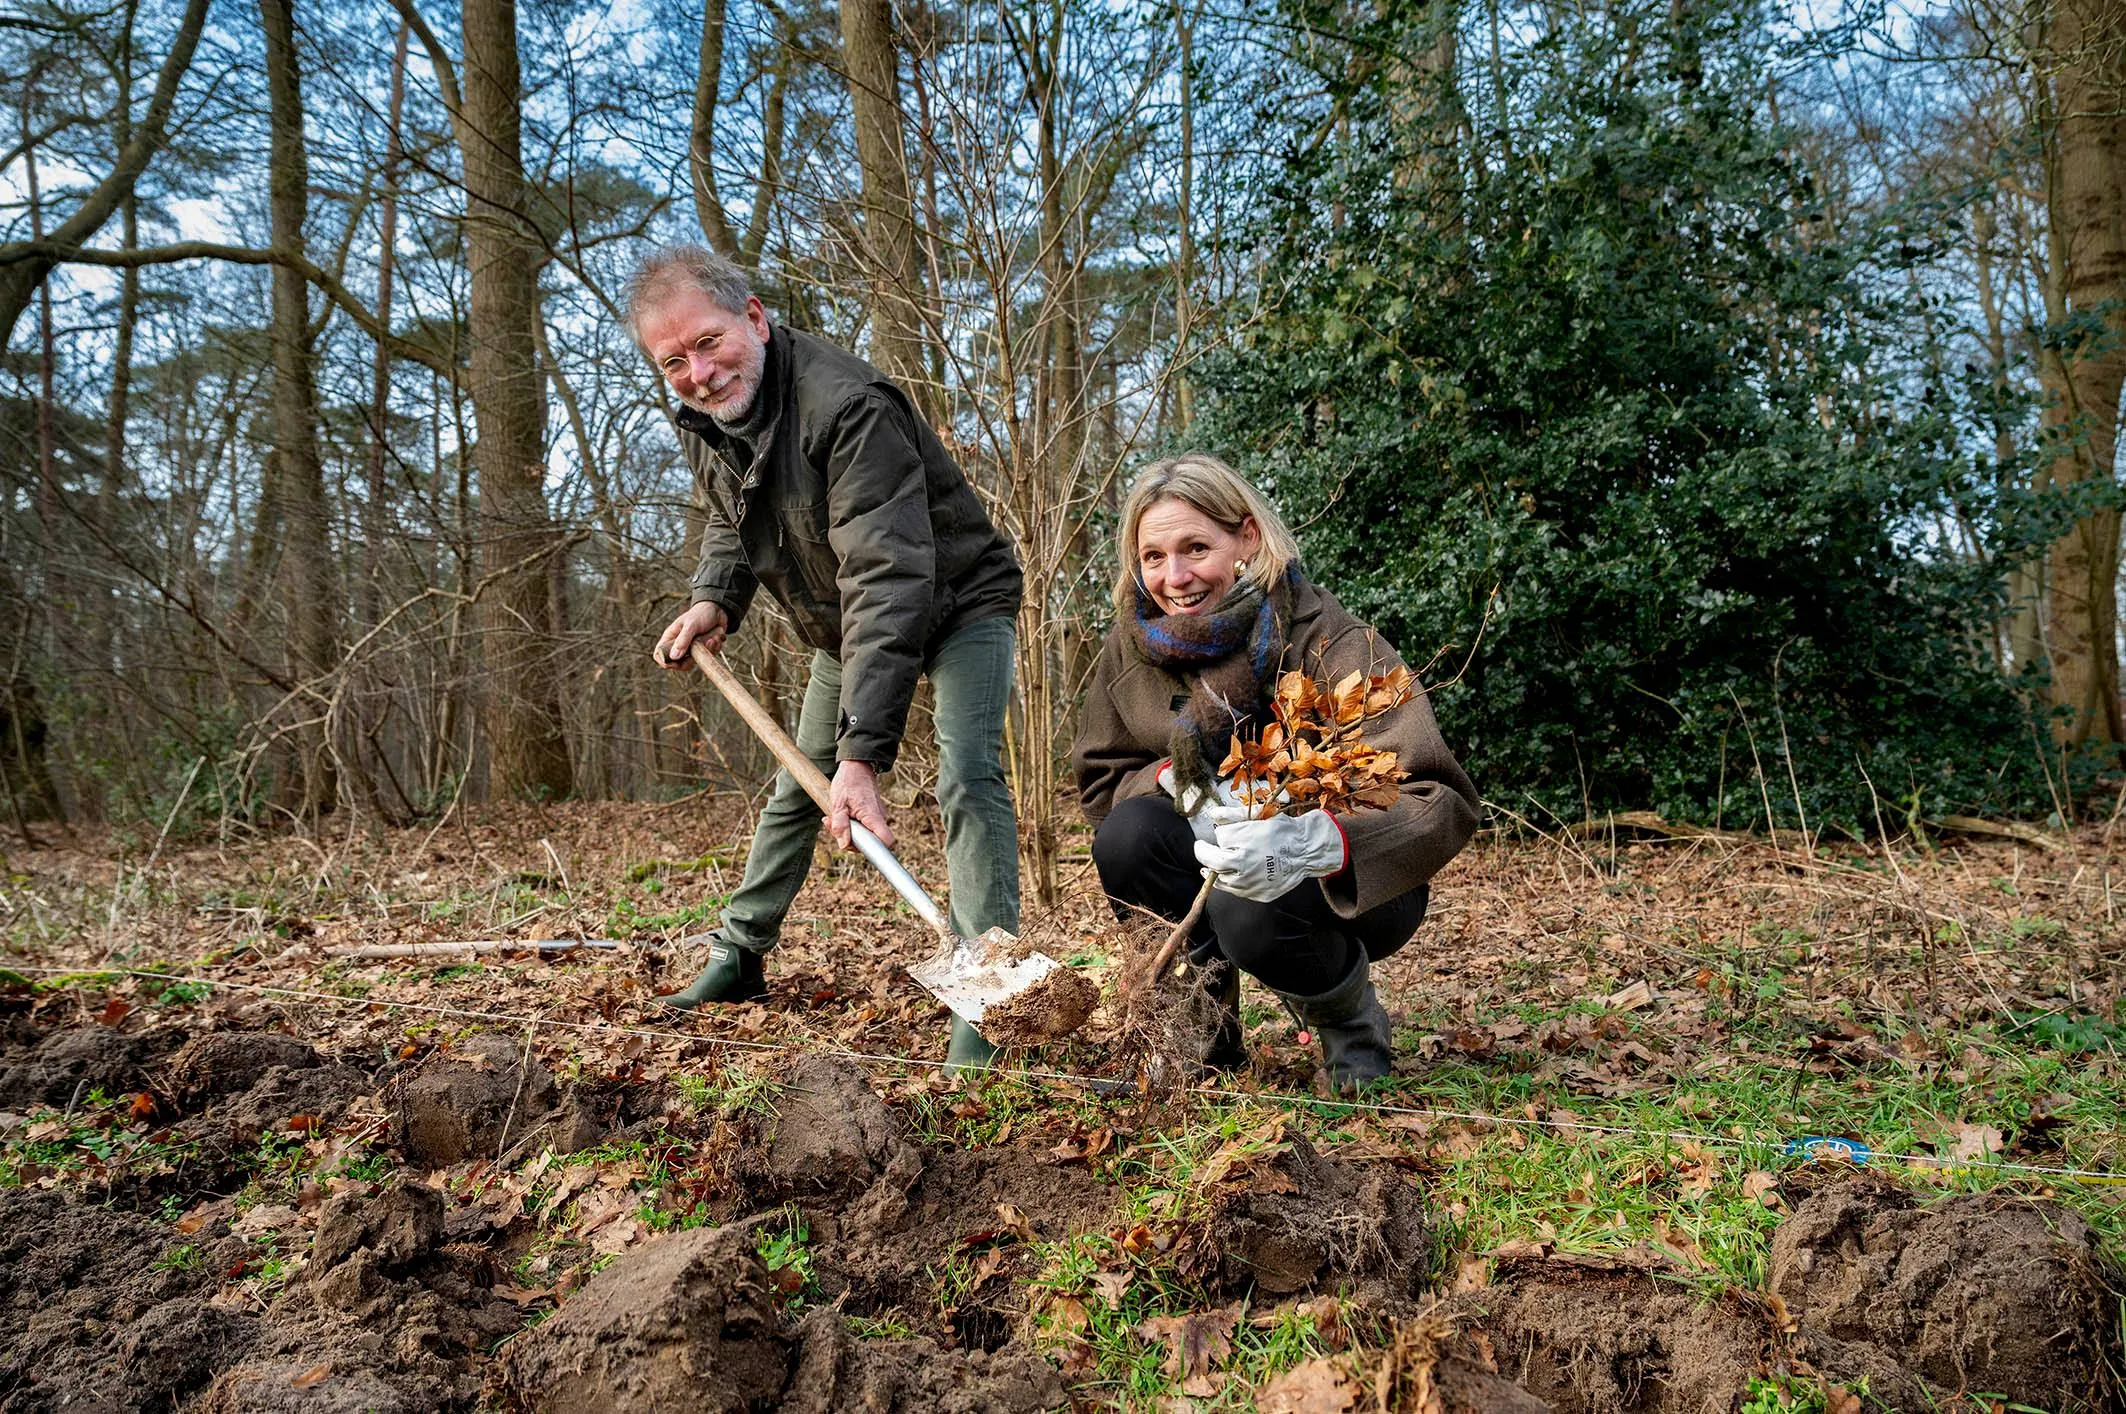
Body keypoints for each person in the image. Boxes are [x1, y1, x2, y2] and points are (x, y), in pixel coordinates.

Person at [629, 244, 1023, 1069]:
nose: (699, 374)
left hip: (957, 601)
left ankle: (985, 1001)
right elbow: (733, 517)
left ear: (754, 318)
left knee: (965, 777)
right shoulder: (709, 419)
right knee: (795, 790)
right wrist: (715, 597)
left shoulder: (846, 407)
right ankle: (739, 955)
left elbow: (888, 575)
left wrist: (862, 755)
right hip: (848, 625)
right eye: (673, 362)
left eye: (708, 343)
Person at [1071, 453, 1478, 1093]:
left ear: (1247, 538)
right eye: (1153, 556)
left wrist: (1316, 840)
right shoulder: (1132, 648)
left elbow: (1439, 796)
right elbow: (1102, 780)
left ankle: (1351, 1031)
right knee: (1128, 838)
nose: (1174, 577)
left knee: (1244, 904)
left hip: (1358, 882)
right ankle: (1198, 1034)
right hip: (1210, 854)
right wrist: (1173, 781)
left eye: (1196, 548)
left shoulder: (1330, 638)